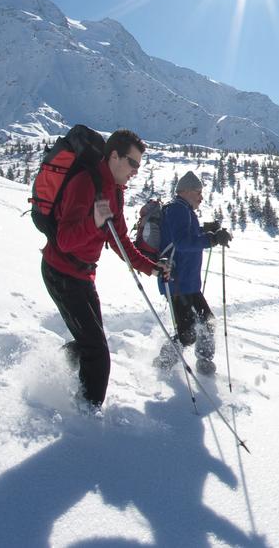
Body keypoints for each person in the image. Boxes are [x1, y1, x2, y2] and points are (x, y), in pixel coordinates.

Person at [41, 129, 170, 412]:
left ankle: (49, 370)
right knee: (98, 354)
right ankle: (87, 421)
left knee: (91, 344)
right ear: (114, 156)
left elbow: (120, 240)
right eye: (132, 163)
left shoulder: (114, 192)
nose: (136, 171)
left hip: (83, 276)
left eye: (139, 165)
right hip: (60, 272)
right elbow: (64, 240)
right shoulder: (86, 183)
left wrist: (152, 268)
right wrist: (94, 222)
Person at [153, 171, 232, 375]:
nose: (201, 197)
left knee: (207, 322)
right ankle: (163, 362)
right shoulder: (178, 209)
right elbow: (182, 242)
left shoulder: (184, 210)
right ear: (185, 191)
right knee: (187, 333)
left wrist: (209, 233)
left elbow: (188, 238)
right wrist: (212, 240)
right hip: (177, 282)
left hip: (187, 283)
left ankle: (204, 361)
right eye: (198, 192)